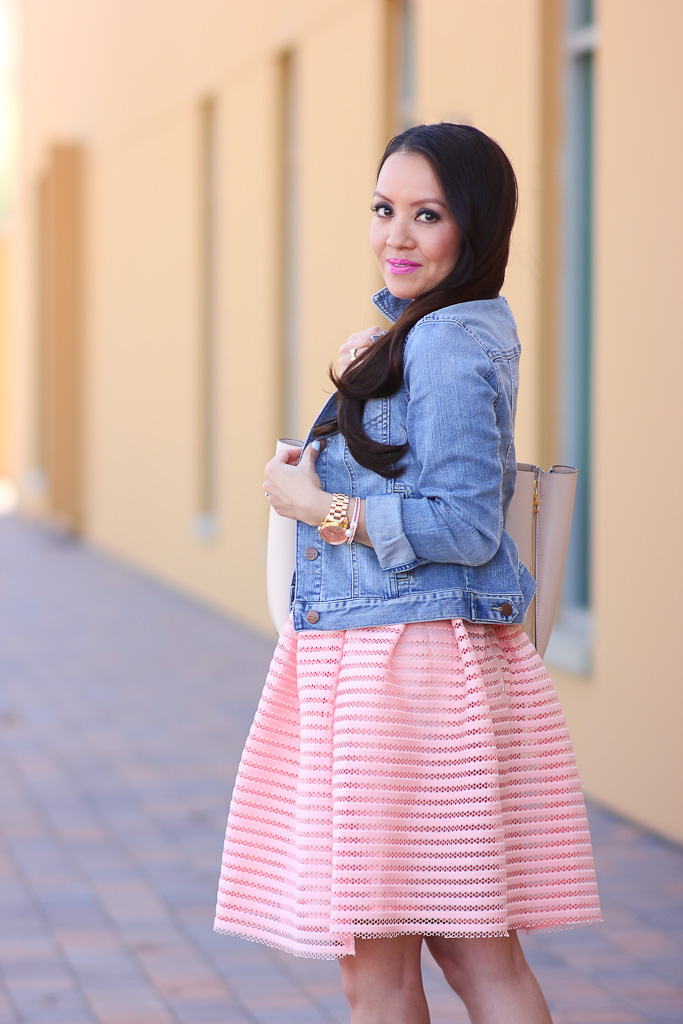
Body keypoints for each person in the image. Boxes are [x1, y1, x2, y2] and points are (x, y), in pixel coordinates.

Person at [214, 123, 601, 1024]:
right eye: (384, 209)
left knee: (391, 974)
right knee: (471, 959)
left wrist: (320, 509)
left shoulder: (447, 345)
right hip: (403, 663)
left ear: (475, 227)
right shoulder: (432, 334)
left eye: (426, 215)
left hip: (403, 673)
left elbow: (465, 525)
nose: (396, 235)